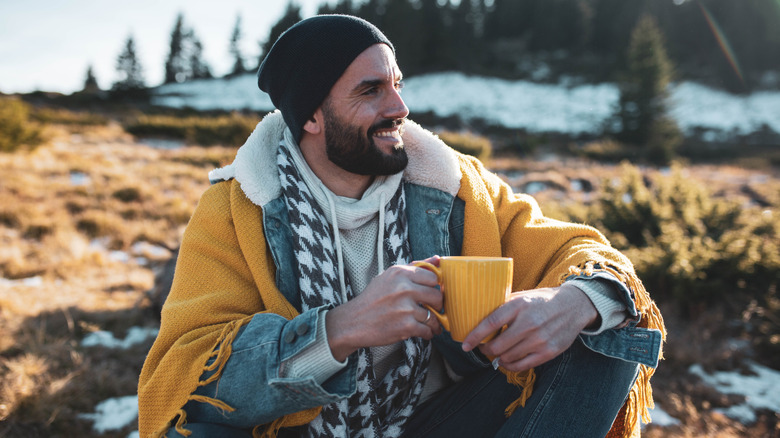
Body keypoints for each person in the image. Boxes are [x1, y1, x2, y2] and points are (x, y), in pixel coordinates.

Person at [138, 15, 665, 438]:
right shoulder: (239, 207)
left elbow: (580, 249)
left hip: (441, 418)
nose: (400, 108)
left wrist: (570, 303)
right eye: (371, 91)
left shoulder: (451, 184)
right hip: (299, 429)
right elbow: (188, 371)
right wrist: (339, 330)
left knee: (602, 327)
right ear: (311, 118)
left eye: (397, 84)